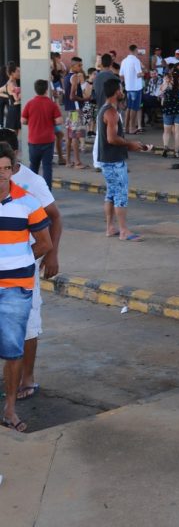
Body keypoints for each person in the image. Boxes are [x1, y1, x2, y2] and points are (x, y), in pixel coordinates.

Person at [0, 128, 62, 403]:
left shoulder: (31, 182)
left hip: (24, 265)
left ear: (15, 153)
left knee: (27, 322)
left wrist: (51, 256)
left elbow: (55, 217)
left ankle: (27, 378)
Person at [97, 78, 148, 242]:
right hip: (114, 161)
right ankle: (123, 231)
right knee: (120, 194)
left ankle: (110, 227)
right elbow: (112, 138)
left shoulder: (105, 109)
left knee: (111, 193)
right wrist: (130, 144)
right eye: (121, 89)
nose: (123, 92)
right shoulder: (111, 112)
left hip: (107, 159)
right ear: (116, 92)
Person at [20, 80, 63, 189]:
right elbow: (59, 121)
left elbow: (23, 120)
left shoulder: (30, 103)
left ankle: (32, 191)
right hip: (48, 140)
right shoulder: (51, 104)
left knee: (33, 166)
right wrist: (49, 121)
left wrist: (32, 121)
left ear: (35, 90)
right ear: (46, 90)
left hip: (33, 140)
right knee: (47, 167)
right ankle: (47, 192)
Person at [160, 70, 179, 158]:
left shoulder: (165, 86)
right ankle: (176, 152)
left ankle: (165, 147)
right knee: (178, 132)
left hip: (168, 111)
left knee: (166, 131)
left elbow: (162, 100)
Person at [62, 57, 86, 168]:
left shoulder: (66, 77)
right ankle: (77, 162)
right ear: (73, 66)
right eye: (79, 65)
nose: (81, 67)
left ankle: (68, 161)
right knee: (76, 135)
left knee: (69, 136)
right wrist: (84, 99)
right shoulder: (75, 77)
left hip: (69, 110)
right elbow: (72, 96)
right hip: (75, 110)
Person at [119, 44, 145, 135]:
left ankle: (126, 127)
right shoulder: (136, 60)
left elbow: (121, 75)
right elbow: (139, 74)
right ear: (135, 50)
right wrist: (144, 72)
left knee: (129, 108)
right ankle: (132, 128)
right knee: (134, 108)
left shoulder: (124, 61)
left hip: (128, 87)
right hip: (136, 88)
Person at [0, 63, 21, 133]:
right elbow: (17, 99)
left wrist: (8, 96)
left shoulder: (13, 82)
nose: (19, 73)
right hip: (14, 110)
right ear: (12, 73)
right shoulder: (11, 83)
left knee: (15, 133)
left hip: (15, 109)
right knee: (13, 134)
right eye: (18, 71)